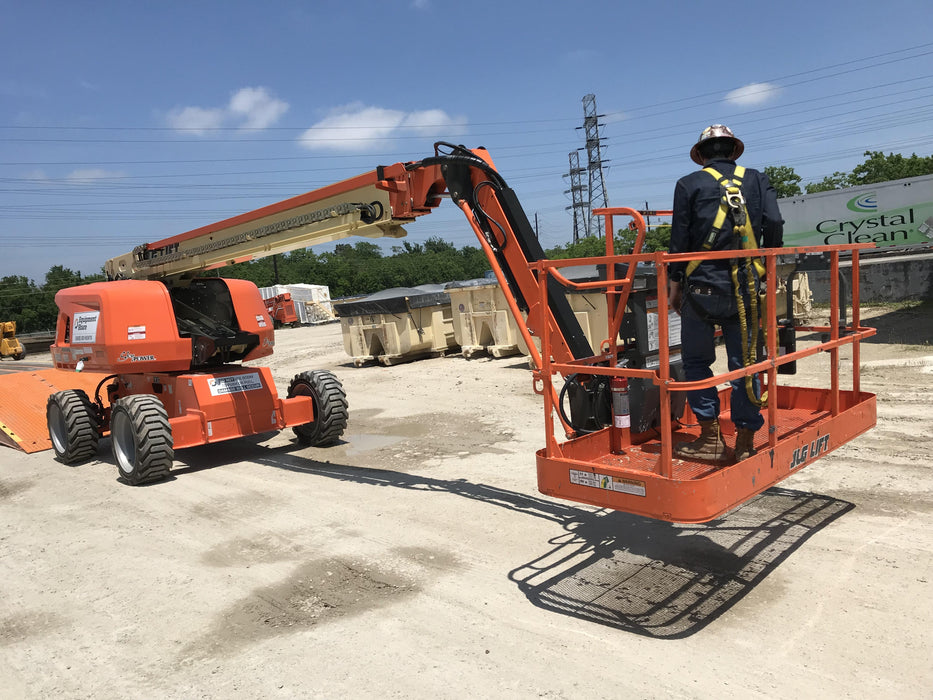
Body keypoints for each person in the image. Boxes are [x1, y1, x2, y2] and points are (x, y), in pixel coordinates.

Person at [668, 125, 783, 462]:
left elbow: (680, 239)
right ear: (733, 151)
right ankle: (746, 440)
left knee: (696, 362)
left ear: (701, 155)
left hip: (700, 288)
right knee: (747, 363)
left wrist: (675, 284)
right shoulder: (757, 180)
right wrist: (769, 266)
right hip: (746, 289)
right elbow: (774, 222)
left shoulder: (688, 184)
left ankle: (710, 437)